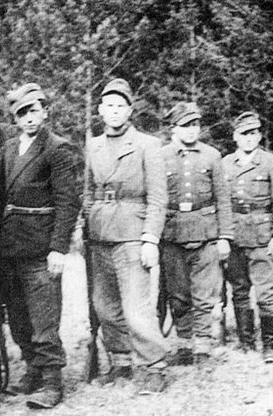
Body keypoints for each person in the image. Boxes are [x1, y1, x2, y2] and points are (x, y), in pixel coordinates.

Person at [0, 83, 83, 408]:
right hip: (8, 248)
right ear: (15, 119)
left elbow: (68, 202)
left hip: (41, 248)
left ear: (44, 112)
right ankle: (33, 369)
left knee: (44, 318)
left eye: (34, 111)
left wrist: (58, 248)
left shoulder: (58, 148)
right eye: (22, 113)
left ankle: (52, 383)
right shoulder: (9, 149)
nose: (29, 118)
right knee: (17, 317)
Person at [83, 78, 169, 393]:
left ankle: (154, 366)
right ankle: (120, 362)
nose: (115, 111)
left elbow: (158, 197)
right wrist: (88, 225)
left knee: (136, 308)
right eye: (109, 105)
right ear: (101, 110)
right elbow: (88, 192)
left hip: (133, 234)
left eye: (121, 105)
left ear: (130, 110)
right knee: (105, 305)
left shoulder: (148, 145)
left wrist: (150, 238)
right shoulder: (93, 145)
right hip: (100, 235)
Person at [159, 102, 234, 365]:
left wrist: (225, 237)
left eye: (195, 124)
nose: (192, 130)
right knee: (178, 295)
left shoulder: (212, 156)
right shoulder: (161, 156)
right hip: (172, 234)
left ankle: (202, 347)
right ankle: (184, 344)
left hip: (206, 233)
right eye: (185, 125)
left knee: (204, 294)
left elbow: (223, 199)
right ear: (173, 128)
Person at [221, 112, 273, 362]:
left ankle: (270, 345)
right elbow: (222, 203)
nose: (249, 138)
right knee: (239, 290)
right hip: (235, 235)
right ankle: (246, 341)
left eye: (253, 133)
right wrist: (223, 236)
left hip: (263, 236)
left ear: (259, 136)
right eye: (243, 134)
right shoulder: (225, 164)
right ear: (235, 136)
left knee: (265, 293)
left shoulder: (271, 163)